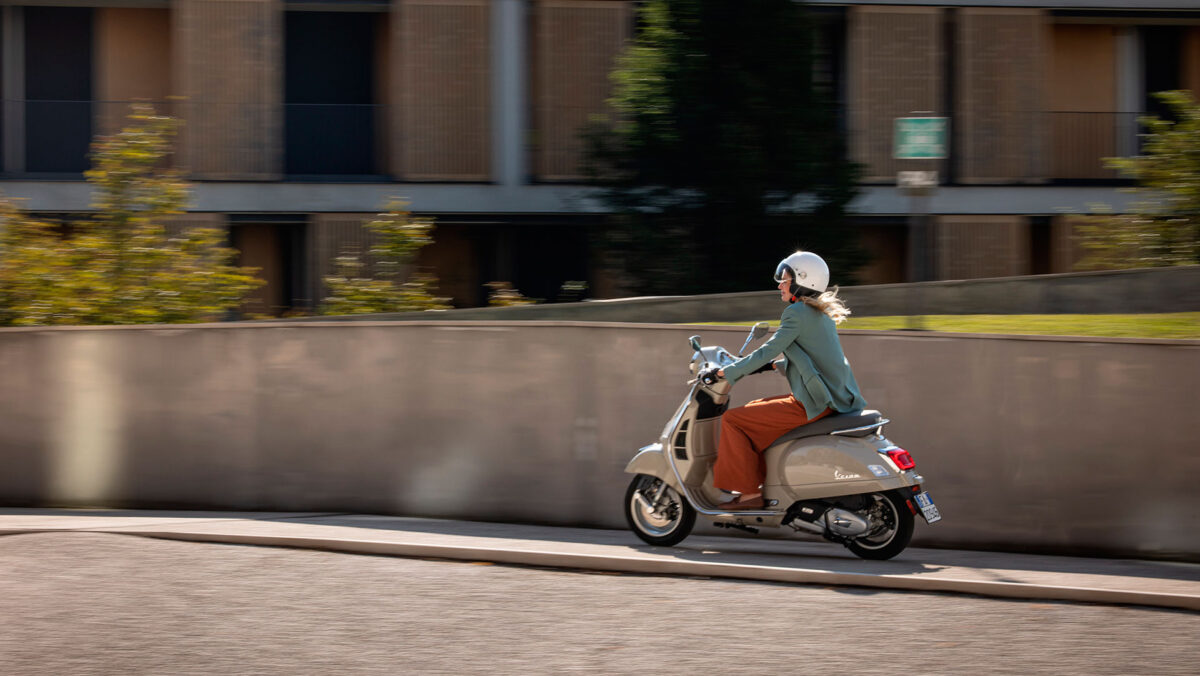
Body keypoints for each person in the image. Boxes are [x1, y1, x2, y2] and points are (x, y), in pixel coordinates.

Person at [708, 251, 867, 510]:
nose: (779, 284)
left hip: (816, 402)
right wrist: (774, 366)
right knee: (754, 407)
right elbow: (816, 359)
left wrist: (729, 372)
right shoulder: (819, 314)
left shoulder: (796, 312)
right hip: (834, 396)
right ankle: (763, 482)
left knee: (734, 421)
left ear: (801, 281)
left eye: (784, 279)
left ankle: (749, 494)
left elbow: (768, 349)